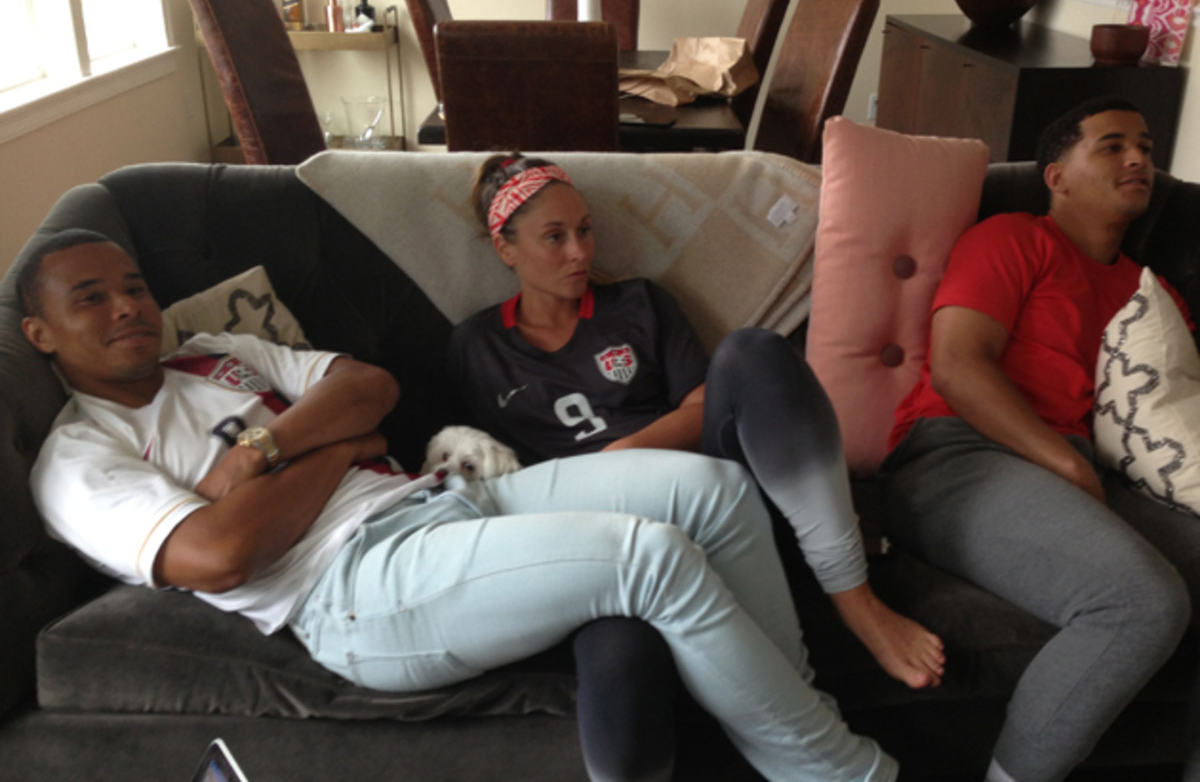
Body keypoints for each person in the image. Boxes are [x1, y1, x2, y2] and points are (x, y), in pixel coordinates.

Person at [20, 228, 901, 782]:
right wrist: (339, 446)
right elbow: (221, 554)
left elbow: (370, 387)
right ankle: (836, 770)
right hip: (356, 587)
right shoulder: (78, 457)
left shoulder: (212, 352)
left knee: (709, 488)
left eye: (133, 285)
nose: (129, 306)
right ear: (40, 333)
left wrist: (270, 450)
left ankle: (790, 701)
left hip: (448, 497)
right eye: (91, 298)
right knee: (652, 554)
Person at [449, 155, 946, 691]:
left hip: (708, 491)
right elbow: (484, 471)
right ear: (506, 249)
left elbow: (702, 404)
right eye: (554, 237)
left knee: (753, 351)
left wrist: (627, 453)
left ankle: (857, 601)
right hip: (596, 530)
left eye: (585, 230)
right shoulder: (477, 346)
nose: (579, 252)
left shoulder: (638, 302)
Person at [880, 96, 1200, 782]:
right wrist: (1065, 463)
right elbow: (958, 365)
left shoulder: (1150, 293)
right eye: (1112, 145)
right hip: (958, 457)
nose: (1139, 157)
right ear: (1056, 175)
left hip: (1088, 471)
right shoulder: (1013, 238)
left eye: (1145, 145)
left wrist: (1080, 470)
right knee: (1139, 601)